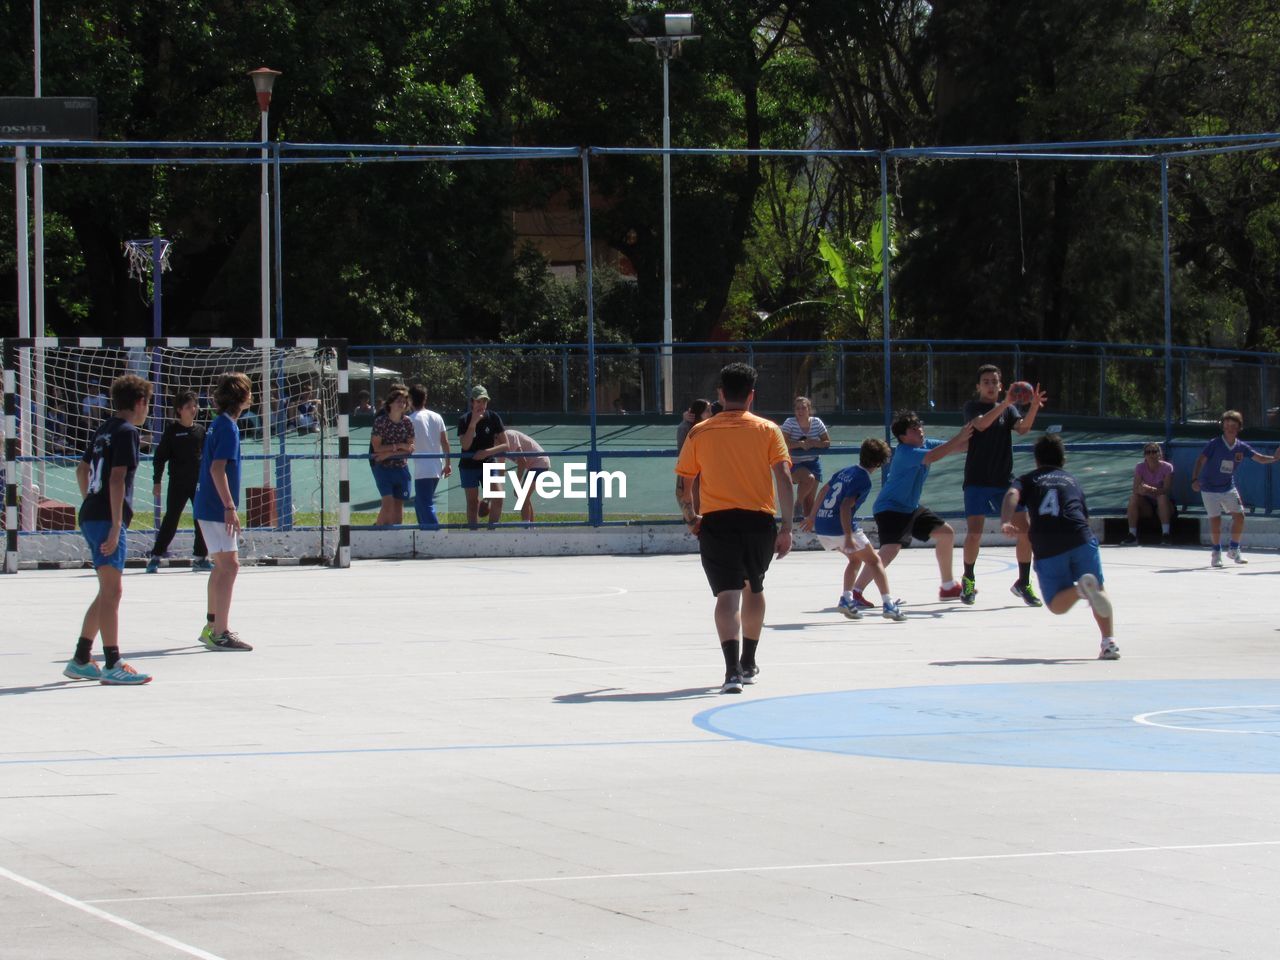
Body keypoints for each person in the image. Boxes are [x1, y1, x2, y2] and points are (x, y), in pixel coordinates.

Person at [674, 362, 794, 695]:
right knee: (753, 588)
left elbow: (684, 485)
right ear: (752, 396)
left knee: (727, 595)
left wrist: (692, 519)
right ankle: (750, 661)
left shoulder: (700, 431)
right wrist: (786, 526)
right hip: (759, 522)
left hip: (718, 522)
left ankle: (731, 673)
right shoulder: (768, 430)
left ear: (721, 394)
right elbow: (784, 478)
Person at [63, 374, 155, 686]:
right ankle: (113, 661)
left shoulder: (103, 429)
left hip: (90, 512)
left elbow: (82, 469)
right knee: (114, 591)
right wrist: (116, 524)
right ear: (140, 402)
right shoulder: (129, 432)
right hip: (105, 517)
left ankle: (81, 658)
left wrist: (90, 499)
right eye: (148, 404)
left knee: (105, 589)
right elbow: (116, 479)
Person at [1001, 432, 1120, 660]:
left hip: (1048, 542)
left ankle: (1079, 590)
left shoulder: (1028, 479)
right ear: (1063, 459)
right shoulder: (1071, 480)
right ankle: (1109, 643)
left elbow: (1011, 494)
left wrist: (1006, 520)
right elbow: (1082, 516)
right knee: (1100, 590)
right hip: (1080, 536)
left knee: (1056, 605)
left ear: (1036, 460)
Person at [851, 411, 973, 605]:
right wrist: (960, 436)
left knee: (946, 534)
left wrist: (983, 434)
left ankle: (948, 586)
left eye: (920, 427)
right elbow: (933, 456)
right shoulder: (905, 452)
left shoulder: (925, 444)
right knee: (890, 550)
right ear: (903, 437)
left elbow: (959, 447)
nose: (920, 431)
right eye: (914, 429)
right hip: (889, 508)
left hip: (910, 508)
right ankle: (856, 592)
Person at [960, 365, 1047, 607]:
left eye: (994, 382)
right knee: (975, 533)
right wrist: (1006, 403)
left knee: (1026, 530)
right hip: (977, 480)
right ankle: (968, 578)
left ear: (1001, 385)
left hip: (1003, 481)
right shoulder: (972, 407)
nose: (990, 385)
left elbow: (1023, 429)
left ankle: (1023, 582)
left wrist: (1033, 408)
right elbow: (981, 425)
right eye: (985, 381)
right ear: (978, 386)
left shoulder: (1008, 410)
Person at [801, 438, 905, 622]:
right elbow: (845, 507)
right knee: (875, 562)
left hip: (823, 524)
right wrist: (848, 536)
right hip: (839, 525)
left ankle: (846, 599)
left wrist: (812, 516)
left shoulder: (846, 471)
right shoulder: (863, 480)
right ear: (879, 463)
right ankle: (889, 605)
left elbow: (824, 490)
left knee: (855, 560)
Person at [193, 373, 255, 652]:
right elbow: (217, 469)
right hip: (216, 506)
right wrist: (230, 506)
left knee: (221, 566)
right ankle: (221, 632)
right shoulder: (228, 428)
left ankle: (212, 625)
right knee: (230, 566)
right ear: (242, 397)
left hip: (206, 503)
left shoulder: (218, 424)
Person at [1190, 410, 1280, 566]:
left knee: (1240, 516)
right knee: (1215, 519)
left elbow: (1259, 458)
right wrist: (1195, 479)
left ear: (1239, 427)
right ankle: (1216, 553)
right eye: (1226, 425)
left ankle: (1234, 549)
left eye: (1233, 425)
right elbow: (1200, 460)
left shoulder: (1241, 447)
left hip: (1228, 487)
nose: (1229, 428)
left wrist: (1275, 458)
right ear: (1223, 427)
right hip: (1209, 488)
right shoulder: (1214, 443)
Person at [146, 390, 211, 573]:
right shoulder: (172, 432)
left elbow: (206, 458)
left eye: (195, 406)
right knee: (171, 520)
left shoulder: (200, 431)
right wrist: (156, 481)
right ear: (179, 410)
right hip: (177, 484)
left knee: (201, 520)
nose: (193, 409)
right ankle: (156, 557)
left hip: (197, 484)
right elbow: (159, 458)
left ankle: (200, 557)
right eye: (189, 407)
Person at [457, 385, 508, 528]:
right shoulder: (464, 420)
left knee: (498, 497)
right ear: (472, 402)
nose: (481, 405)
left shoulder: (493, 417)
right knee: (472, 503)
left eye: (484, 401)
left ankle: (492, 531)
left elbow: (505, 445)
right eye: (478, 401)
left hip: (489, 463)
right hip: (469, 465)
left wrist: (486, 452)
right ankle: (473, 535)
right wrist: (473, 423)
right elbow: (465, 446)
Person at [369, 383, 415, 527]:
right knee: (387, 503)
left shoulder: (408, 422)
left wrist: (391, 452)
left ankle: (396, 533)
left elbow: (410, 447)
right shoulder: (381, 421)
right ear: (390, 402)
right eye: (398, 400)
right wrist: (396, 448)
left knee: (398, 504)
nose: (402, 404)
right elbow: (377, 448)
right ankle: (378, 531)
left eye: (404, 401)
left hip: (400, 466)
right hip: (382, 467)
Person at [408, 383, 451, 529]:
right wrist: (448, 464)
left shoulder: (410, 419)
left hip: (422, 469)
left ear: (410, 400)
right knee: (419, 503)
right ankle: (424, 531)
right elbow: (445, 442)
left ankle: (434, 532)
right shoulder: (437, 417)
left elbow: (408, 443)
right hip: (436, 466)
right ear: (425, 399)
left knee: (424, 503)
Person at [780, 397, 830, 521]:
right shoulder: (789, 423)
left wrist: (813, 443)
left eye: (803, 408)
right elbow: (782, 443)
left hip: (813, 462)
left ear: (809, 409)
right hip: (795, 463)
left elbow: (827, 442)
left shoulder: (817, 422)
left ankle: (807, 528)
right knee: (809, 479)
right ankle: (798, 504)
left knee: (810, 501)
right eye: (797, 408)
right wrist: (799, 444)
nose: (800, 411)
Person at [1121, 442, 1175, 544]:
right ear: (1144, 455)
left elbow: (1166, 489)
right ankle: (1132, 535)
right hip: (1147, 506)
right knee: (1133, 497)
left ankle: (1166, 534)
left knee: (1162, 497)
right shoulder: (1140, 467)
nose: (1151, 455)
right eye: (1148, 452)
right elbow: (1135, 488)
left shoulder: (1168, 467)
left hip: (1164, 506)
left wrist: (1150, 489)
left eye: (1154, 452)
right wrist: (1141, 490)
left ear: (1159, 454)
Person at [502, 428, 552, 522]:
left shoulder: (510, 436)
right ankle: (531, 526)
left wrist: (517, 484)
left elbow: (522, 462)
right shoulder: (496, 444)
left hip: (539, 461)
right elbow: (501, 467)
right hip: (533, 464)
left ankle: (526, 527)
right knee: (524, 496)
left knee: (522, 496)